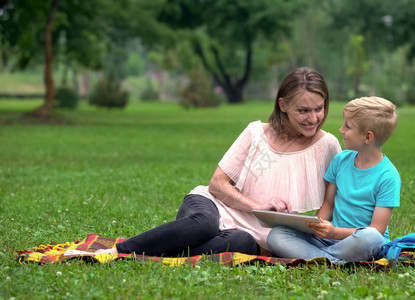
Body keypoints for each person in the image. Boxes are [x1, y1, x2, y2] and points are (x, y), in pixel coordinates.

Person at [96, 67, 341, 257]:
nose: (313, 118)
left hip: (256, 233)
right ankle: (121, 250)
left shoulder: (328, 146)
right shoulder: (256, 133)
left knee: (243, 243)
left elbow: (339, 200)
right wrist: (258, 205)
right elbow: (217, 185)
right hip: (212, 206)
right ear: (283, 105)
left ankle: (164, 252)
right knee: (203, 225)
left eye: (318, 109)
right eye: (303, 111)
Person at [267, 96, 401, 263]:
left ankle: (319, 258)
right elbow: (328, 204)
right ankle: (332, 261)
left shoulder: (388, 176)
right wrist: (317, 226)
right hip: (328, 240)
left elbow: (378, 229)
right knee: (277, 235)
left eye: (348, 126)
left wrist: (335, 233)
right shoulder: (340, 161)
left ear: (368, 137)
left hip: (358, 242)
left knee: (372, 238)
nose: (341, 130)